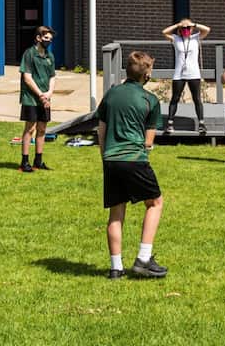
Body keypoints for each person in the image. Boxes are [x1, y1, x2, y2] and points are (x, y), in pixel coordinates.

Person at [96, 51, 167, 279]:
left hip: (110, 159)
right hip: (134, 159)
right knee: (155, 202)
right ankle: (143, 258)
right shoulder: (150, 100)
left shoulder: (111, 94)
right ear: (146, 75)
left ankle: (116, 268)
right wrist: (146, 149)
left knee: (116, 211)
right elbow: (148, 141)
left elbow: (101, 130)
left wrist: (105, 156)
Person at [161, 18, 210, 135]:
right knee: (175, 98)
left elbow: (207, 30)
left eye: (188, 28)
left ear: (192, 29)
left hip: (194, 73)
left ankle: (201, 124)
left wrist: (192, 24)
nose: (186, 30)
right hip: (179, 74)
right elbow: (164, 32)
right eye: (183, 28)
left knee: (197, 99)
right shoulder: (176, 39)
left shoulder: (196, 38)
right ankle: (170, 123)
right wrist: (178, 24)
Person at [18, 26, 57, 173]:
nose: (49, 41)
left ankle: (38, 160)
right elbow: (27, 78)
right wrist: (41, 95)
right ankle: (25, 161)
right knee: (30, 128)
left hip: (45, 98)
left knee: (42, 128)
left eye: (50, 39)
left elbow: (53, 76)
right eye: (46, 38)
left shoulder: (50, 56)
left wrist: (49, 93)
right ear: (38, 38)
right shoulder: (29, 54)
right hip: (31, 98)